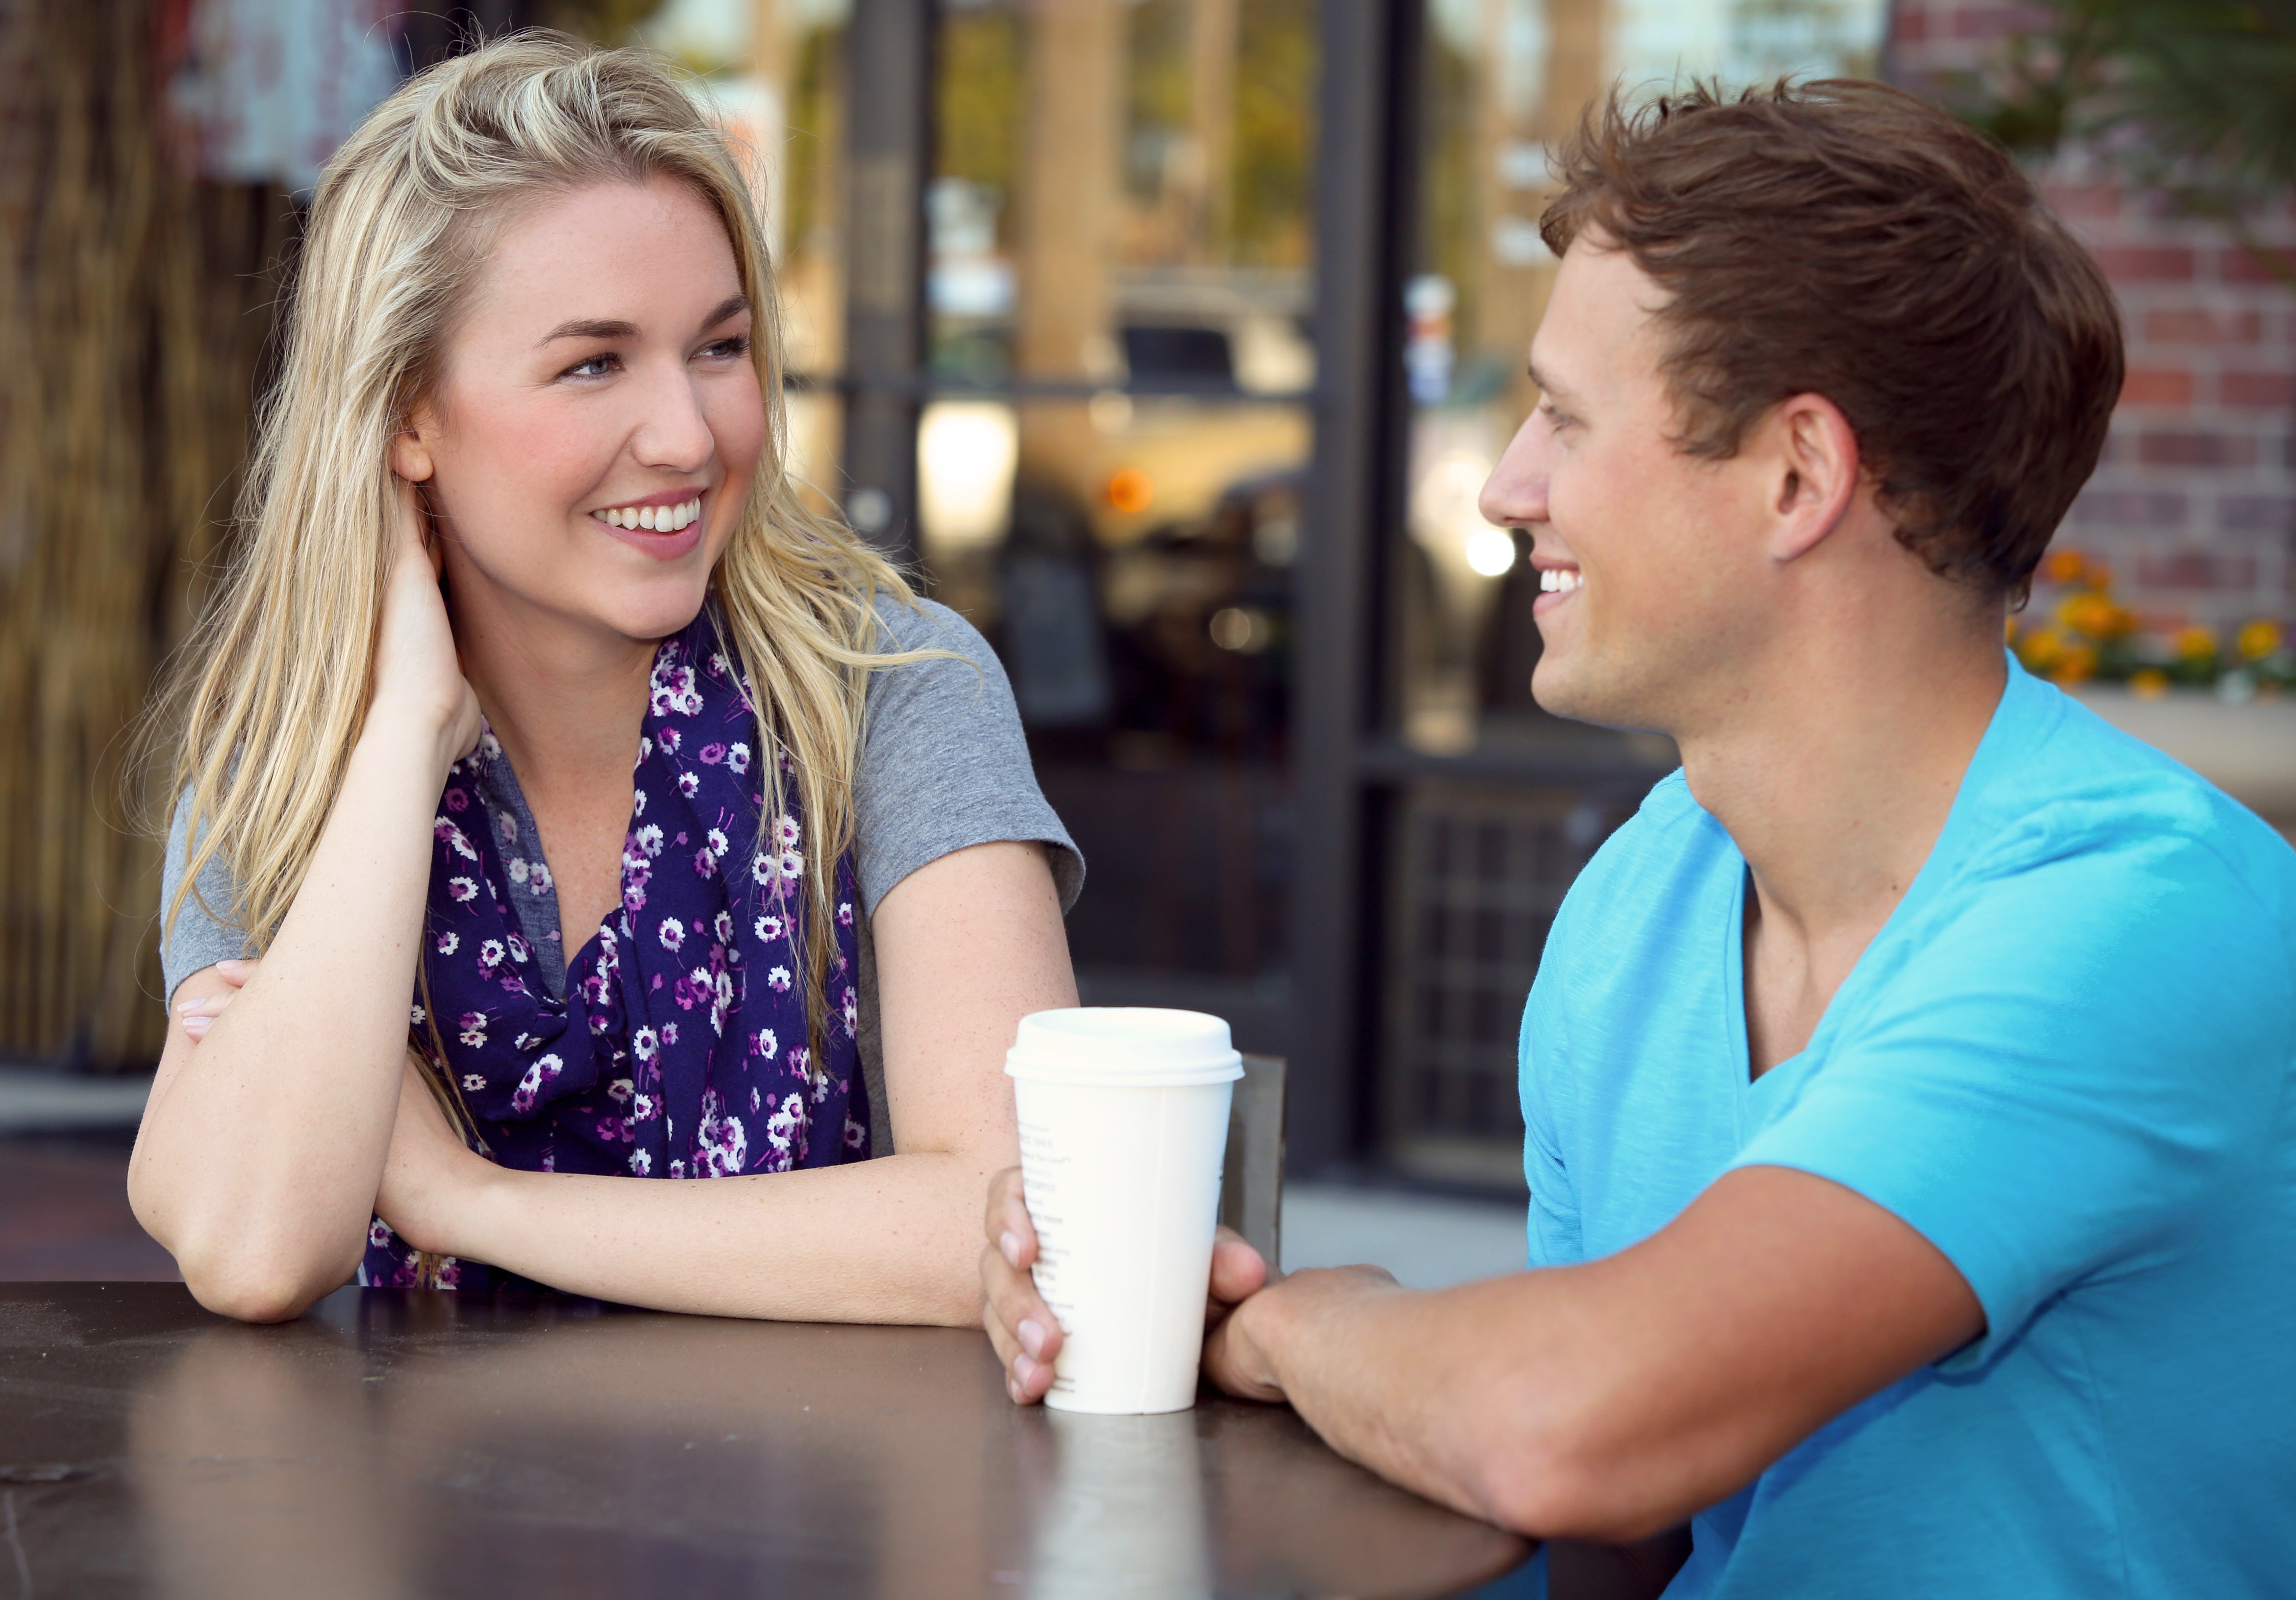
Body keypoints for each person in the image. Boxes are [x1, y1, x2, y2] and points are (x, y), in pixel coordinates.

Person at [985, 80, 2296, 1597]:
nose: (1502, 489)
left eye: (1562, 414)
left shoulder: (2138, 922)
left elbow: (1576, 1429)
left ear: (1798, 475)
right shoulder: (1643, 897)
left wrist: (1274, 1326)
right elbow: (1612, 1542)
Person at [132, 33, 1082, 1326]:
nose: (689, 437)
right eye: (593, 363)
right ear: (407, 412)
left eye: (718, 347)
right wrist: (406, 730)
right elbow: (250, 1247)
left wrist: (469, 1199)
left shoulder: (889, 682)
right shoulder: (297, 747)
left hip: (816, 1511)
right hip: (412, 1517)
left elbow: (1013, 1215)